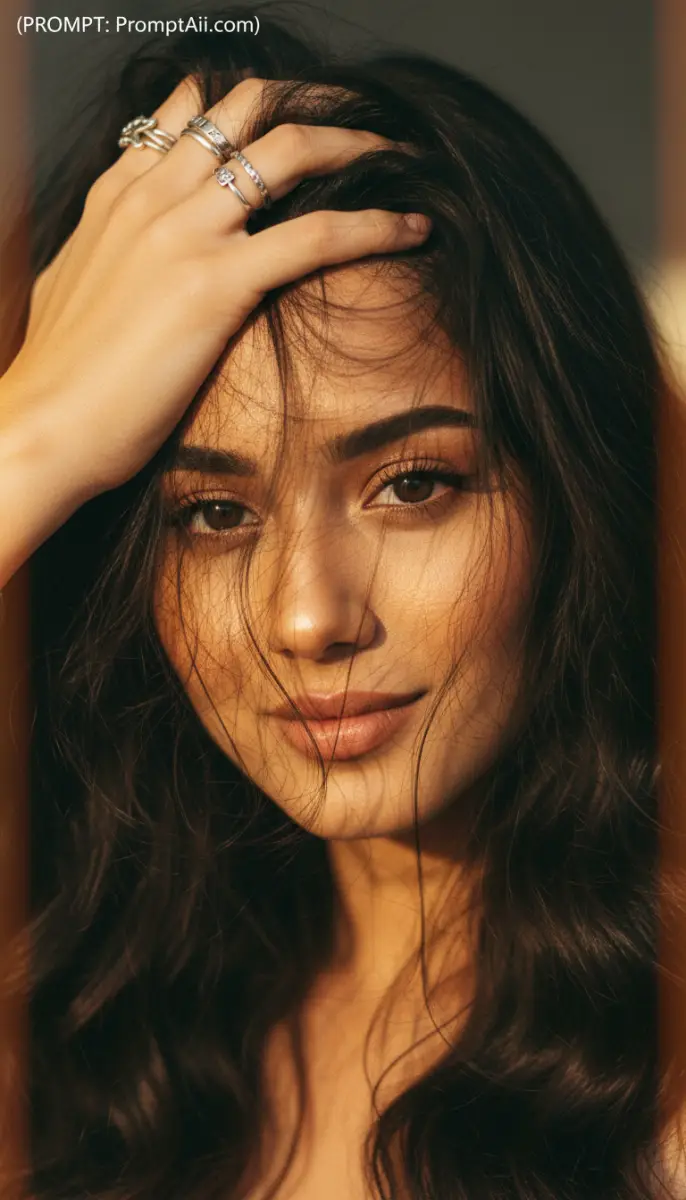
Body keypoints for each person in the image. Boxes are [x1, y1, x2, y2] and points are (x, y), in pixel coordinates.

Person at [0, 7, 676, 1198]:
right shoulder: (87, 1038)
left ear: (580, 494)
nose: (307, 619)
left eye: (412, 485)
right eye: (213, 515)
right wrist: (31, 439)